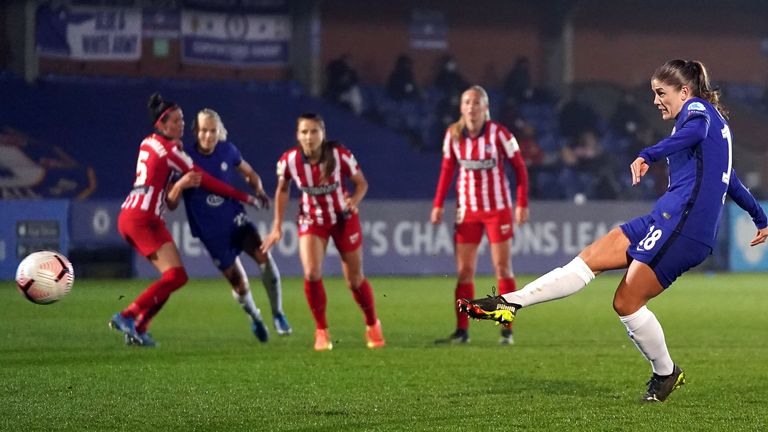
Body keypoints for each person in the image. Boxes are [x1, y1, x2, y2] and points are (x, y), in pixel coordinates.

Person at [458, 60, 768, 402]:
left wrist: (648, 154)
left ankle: (666, 373)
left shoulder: (697, 112)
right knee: (588, 258)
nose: (655, 101)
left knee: (626, 301)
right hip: (665, 217)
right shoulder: (713, 122)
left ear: (684, 91)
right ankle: (509, 303)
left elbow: (695, 135)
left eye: (660, 93)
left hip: (685, 226)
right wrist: (760, 216)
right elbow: (730, 179)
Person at [109, 93, 261, 347]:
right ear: (161, 124)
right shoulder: (171, 152)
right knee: (175, 277)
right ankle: (127, 316)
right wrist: (243, 196)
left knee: (174, 276)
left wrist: (178, 185)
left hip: (131, 215)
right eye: (176, 121)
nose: (182, 125)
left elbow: (170, 201)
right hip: (143, 218)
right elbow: (207, 180)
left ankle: (140, 328)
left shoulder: (148, 142)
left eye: (182, 120)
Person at [165, 108, 292, 343]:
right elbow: (170, 203)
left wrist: (258, 188)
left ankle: (278, 314)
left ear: (218, 131)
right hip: (211, 233)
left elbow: (250, 173)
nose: (208, 136)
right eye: (203, 130)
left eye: (212, 131)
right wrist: (181, 184)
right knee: (239, 283)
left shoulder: (228, 150)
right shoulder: (185, 159)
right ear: (196, 131)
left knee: (264, 256)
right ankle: (255, 317)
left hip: (236, 220)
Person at [261, 113, 385, 351]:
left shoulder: (340, 155)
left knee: (354, 280)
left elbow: (362, 183)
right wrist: (277, 226)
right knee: (311, 273)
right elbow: (282, 190)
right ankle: (321, 331)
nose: (309, 137)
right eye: (304, 132)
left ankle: (372, 324)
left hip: (343, 219)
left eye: (314, 131)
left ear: (323, 134)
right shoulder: (289, 161)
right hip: (312, 220)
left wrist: (355, 200)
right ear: (298, 135)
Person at [431, 85, 529, 345]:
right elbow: (447, 169)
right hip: (467, 211)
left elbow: (519, 168)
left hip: (498, 209)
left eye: (476, 103)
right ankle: (462, 330)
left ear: (485, 108)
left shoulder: (500, 134)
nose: (471, 107)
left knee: (502, 267)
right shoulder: (453, 134)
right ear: (461, 107)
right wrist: (438, 203)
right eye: (466, 103)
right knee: (464, 272)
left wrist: (521, 203)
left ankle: (506, 328)